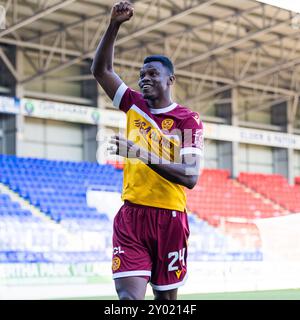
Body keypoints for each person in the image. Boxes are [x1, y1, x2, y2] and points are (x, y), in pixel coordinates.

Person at [91, 1, 204, 300]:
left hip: (170, 219)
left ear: (170, 79)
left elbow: (191, 176)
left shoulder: (188, 121)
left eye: (152, 73)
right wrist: (114, 24)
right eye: (142, 74)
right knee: (128, 300)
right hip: (131, 217)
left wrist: (140, 154)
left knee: (166, 300)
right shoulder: (133, 104)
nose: (144, 78)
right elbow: (101, 70)